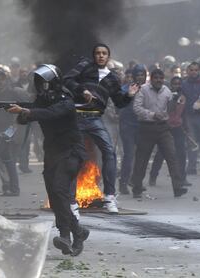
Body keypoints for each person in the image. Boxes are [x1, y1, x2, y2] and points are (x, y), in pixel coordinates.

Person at [7, 64, 89, 256]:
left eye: (46, 83)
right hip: (52, 153)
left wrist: (26, 111)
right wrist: (19, 112)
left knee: (60, 190)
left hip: (71, 152)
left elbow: (51, 113)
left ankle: (66, 236)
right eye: (40, 83)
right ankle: (77, 231)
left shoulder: (65, 100)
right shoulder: (40, 101)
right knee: (54, 197)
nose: (43, 87)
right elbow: (26, 119)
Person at [64, 43, 136, 214]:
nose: (101, 56)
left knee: (109, 152)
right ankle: (71, 201)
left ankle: (109, 197)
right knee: (76, 157)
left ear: (108, 57)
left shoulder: (112, 78)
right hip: (77, 117)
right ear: (93, 55)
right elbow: (67, 80)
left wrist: (129, 96)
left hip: (95, 118)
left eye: (104, 53)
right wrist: (82, 91)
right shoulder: (84, 67)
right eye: (97, 53)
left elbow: (119, 102)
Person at [130, 69, 188, 198]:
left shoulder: (166, 91)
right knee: (142, 159)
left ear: (163, 79)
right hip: (146, 128)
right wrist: (152, 115)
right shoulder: (143, 90)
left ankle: (177, 187)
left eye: (160, 78)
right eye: (155, 78)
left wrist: (176, 102)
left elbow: (170, 108)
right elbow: (137, 108)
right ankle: (137, 187)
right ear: (151, 79)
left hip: (163, 128)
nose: (158, 80)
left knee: (172, 156)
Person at [0, 69, 25, 196]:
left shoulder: (13, 93)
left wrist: (11, 130)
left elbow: (20, 112)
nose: (0, 82)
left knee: (6, 157)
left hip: (11, 129)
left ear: (6, 80)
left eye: (2, 79)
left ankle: (12, 188)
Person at [149, 77, 192, 187]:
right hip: (166, 127)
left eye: (178, 84)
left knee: (181, 153)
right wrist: (173, 99)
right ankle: (153, 176)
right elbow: (166, 110)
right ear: (170, 85)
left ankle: (182, 177)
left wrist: (186, 127)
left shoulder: (183, 97)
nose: (176, 86)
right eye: (174, 84)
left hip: (178, 127)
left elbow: (184, 113)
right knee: (161, 153)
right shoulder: (165, 96)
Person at [118, 64, 147, 195]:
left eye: (143, 74)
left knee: (141, 156)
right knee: (129, 155)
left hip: (143, 126)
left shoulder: (148, 89)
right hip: (128, 126)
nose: (141, 77)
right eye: (138, 74)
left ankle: (137, 182)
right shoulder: (126, 89)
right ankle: (123, 183)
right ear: (134, 76)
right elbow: (120, 105)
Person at [182, 62, 200, 175]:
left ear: (199, 71)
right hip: (189, 116)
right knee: (192, 143)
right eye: (191, 70)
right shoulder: (184, 84)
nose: (194, 72)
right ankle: (192, 166)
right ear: (188, 71)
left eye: (196, 70)